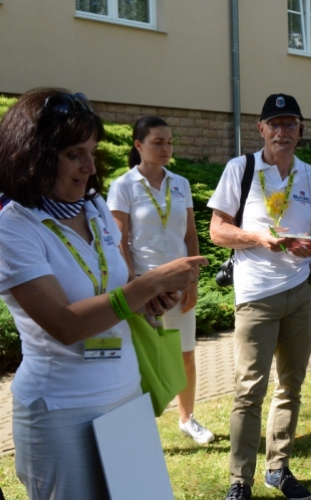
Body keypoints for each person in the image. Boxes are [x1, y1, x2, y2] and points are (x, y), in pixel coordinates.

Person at [0, 88, 206, 500]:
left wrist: (149, 301)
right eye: (75, 154)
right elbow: (65, 324)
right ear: (35, 154)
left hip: (125, 393)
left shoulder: (94, 210)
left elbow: (117, 290)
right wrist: (148, 284)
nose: (91, 168)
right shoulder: (13, 226)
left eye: (92, 152)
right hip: (60, 410)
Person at [208, 93, 311, 500]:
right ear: (260, 129)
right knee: (249, 389)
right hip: (256, 295)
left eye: (290, 124)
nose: (283, 132)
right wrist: (257, 238)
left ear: (300, 131)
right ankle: (239, 480)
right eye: (275, 124)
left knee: (291, 386)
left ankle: (278, 468)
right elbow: (217, 230)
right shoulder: (239, 169)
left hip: (302, 292)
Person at [107, 116, 215, 444]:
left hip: (179, 283)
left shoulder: (179, 183)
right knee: (144, 355)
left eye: (169, 142)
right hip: (144, 285)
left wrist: (193, 281)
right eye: (158, 142)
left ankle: (187, 419)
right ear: (138, 145)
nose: (166, 148)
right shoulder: (123, 186)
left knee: (185, 352)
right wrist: (133, 289)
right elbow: (120, 241)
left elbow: (191, 235)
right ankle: (141, 423)